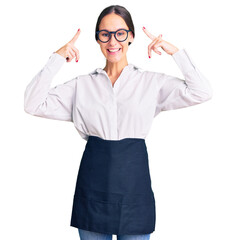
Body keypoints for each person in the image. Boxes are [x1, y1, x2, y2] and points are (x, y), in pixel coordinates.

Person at [24, 4, 213, 240]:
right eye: (105, 34)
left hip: (135, 189)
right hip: (93, 189)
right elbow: (32, 104)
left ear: (131, 36)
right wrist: (57, 58)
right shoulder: (81, 85)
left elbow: (202, 92)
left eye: (120, 33)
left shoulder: (150, 83)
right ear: (98, 39)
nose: (113, 42)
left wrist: (175, 52)